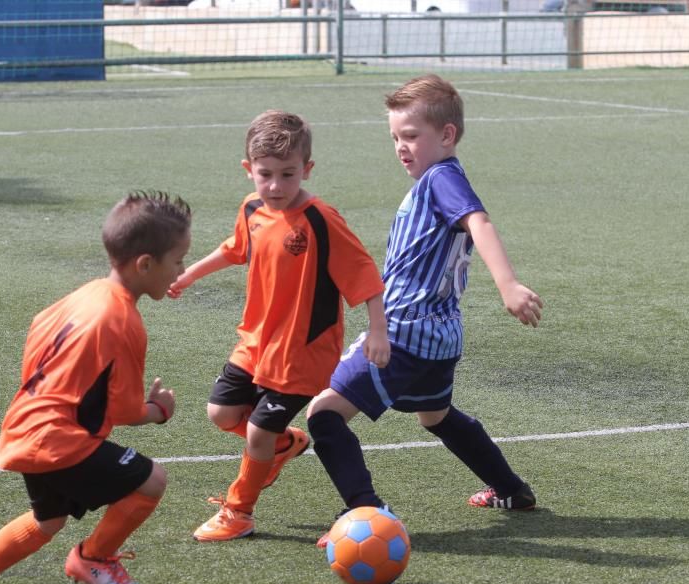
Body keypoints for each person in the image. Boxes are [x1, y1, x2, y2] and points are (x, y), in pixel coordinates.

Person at [306, 74, 545, 546]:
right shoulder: (436, 180)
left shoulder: (441, 179)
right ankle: (511, 490)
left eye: (411, 136)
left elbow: (479, 221)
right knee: (435, 416)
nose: (401, 146)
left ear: (447, 135)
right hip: (441, 336)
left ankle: (366, 510)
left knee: (323, 415)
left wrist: (508, 283)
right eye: (395, 137)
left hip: (403, 333)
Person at [0, 191, 191, 584]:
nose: (180, 271)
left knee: (47, 521)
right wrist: (159, 411)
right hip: (59, 438)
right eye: (177, 261)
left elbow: (36, 337)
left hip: (26, 426)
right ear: (145, 264)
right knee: (151, 480)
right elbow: (123, 411)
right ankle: (95, 558)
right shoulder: (123, 319)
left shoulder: (79, 297)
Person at [168, 110, 389, 542]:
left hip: (302, 352)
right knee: (221, 412)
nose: (275, 186)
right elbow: (235, 249)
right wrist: (190, 273)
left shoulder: (321, 219)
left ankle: (239, 513)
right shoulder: (251, 208)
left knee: (256, 432)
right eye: (265, 174)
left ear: (306, 169)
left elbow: (363, 272)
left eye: (288, 175)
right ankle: (285, 445)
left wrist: (377, 330)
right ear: (248, 170)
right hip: (255, 342)